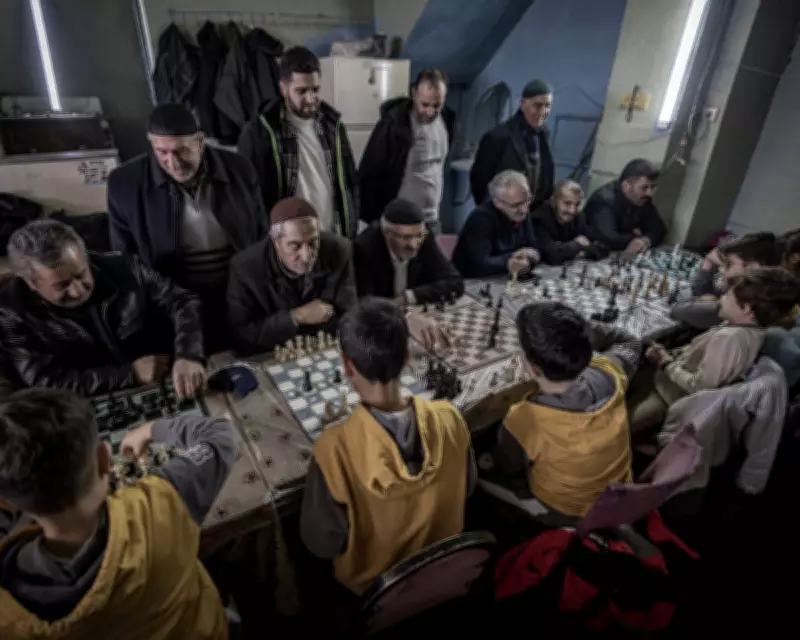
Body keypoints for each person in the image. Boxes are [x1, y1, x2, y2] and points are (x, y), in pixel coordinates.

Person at [0, 388, 236, 639]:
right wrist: (151, 429)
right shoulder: (159, 503)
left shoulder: (8, 610)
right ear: (105, 459)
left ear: (5, 503)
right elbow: (222, 435)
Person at [300, 298, 476, 594]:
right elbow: (468, 487)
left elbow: (323, 543)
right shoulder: (450, 416)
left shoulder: (333, 450)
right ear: (406, 357)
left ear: (346, 365)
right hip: (445, 576)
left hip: (378, 594)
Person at [107, 104, 267, 350]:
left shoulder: (239, 169)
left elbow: (260, 234)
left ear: (201, 141)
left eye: (182, 151)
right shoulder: (125, 184)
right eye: (162, 152)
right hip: (173, 300)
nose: (173, 163)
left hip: (236, 291)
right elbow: (125, 259)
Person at [0, 220, 205, 398]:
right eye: (62, 285)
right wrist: (129, 374)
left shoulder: (124, 266)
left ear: (85, 257)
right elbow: (45, 381)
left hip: (164, 376)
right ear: (32, 283)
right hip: (88, 401)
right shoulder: (11, 311)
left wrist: (188, 354)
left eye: (81, 274)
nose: (78, 291)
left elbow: (182, 300)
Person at [492, 303, 641, 517]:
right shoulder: (611, 372)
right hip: (618, 491)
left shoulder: (523, 419)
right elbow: (631, 342)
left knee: (488, 464)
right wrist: (577, 333)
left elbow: (508, 468)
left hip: (566, 508)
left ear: (534, 368)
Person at [629, 267, 800, 432]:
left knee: (619, 423)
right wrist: (670, 355)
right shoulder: (746, 328)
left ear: (746, 309)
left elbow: (699, 386)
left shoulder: (729, 339)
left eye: (728, 296)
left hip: (669, 397)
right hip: (668, 381)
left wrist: (665, 363)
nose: (722, 299)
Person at [238, 46, 358, 239]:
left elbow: (350, 184)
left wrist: (350, 230)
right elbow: (249, 197)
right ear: (283, 88)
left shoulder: (333, 127)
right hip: (289, 243)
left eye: (315, 90)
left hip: (332, 236)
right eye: (301, 91)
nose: (310, 99)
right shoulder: (259, 132)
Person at [227, 197, 356, 355]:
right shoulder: (245, 268)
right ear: (275, 241)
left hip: (322, 348)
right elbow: (242, 335)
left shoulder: (338, 250)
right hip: (272, 354)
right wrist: (296, 316)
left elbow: (349, 316)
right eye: (295, 246)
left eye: (313, 242)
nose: (306, 256)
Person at [358, 68, 455, 232]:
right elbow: (370, 172)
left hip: (432, 218)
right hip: (399, 221)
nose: (430, 112)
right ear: (414, 94)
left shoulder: (448, 120)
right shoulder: (393, 125)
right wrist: (372, 220)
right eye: (425, 104)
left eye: (437, 105)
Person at [354, 198, 464, 305]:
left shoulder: (424, 235)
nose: (413, 245)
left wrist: (408, 297)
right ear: (387, 233)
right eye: (406, 237)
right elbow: (365, 303)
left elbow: (455, 281)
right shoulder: (365, 247)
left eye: (419, 236)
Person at [470, 79, 554, 209]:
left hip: (533, 214)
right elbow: (479, 181)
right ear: (522, 103)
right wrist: (492, 213)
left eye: (547, 106)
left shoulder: (543, 135)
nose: (543, 111)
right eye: (537, 105)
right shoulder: (497, 137)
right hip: (503, 213)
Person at [671, 232, 780, 331]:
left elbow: (677, 309)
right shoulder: (764, 292)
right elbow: (701, 293)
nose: (722, 270)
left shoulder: (740, 304)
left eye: (729, 264)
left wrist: (708, 263)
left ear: (752, 267)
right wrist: (709, 262)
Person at [452, 170, 540, 278]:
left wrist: (531, 257)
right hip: (471, 280)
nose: (524, 209)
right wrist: (514, 257)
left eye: (527, 200)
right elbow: (481, 264)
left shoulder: (523, 212)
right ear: (497, 202)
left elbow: (534, 249)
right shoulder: (480, 219)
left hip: (507, 278)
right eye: (515, 205)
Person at [584, 158, 666, 253]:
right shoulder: (602, 200)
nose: (650, 193)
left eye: (652, 187)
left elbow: (659, 229)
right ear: (626, 186)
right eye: (644, 187)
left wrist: (645, 240)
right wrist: (635, 236)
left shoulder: (643, 200)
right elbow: (610, 239)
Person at [532, 179, 608, 265]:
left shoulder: (578, 217)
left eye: (577, 204)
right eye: (567, 203)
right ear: (553, 201)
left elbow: (602, 245)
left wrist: (582, 253)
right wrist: (577, 244)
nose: (572, 211)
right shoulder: (539, 219)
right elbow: (552, 255)